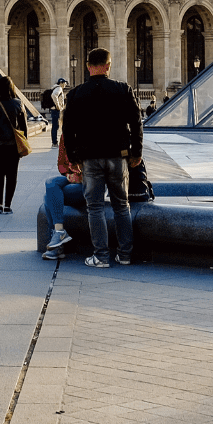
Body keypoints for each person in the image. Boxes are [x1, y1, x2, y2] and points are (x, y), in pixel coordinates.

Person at [62, 47, 141, 268]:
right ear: (108, 66)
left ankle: (101, 256)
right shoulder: (122, 90)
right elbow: (136, 123)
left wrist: (72, 156)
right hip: (118, 156)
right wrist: (137, 152)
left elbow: (68, 130)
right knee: (121, 206)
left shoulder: (76, 94)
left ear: (88, 67)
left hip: (90, 158)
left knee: (94, 207)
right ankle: (125, 255)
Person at [0, 77, 28, 214]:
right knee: (12, 175)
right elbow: (24, 128)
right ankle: (8, 205)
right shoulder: (18, 104)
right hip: (13, 146)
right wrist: (23, 144)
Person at [41, 128, 84, 259]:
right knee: (51, 183)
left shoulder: (88, 131)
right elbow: (61, 164)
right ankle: (59, 232)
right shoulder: (66, 135)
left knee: (48, 197)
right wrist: (69, 174)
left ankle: (57, 246)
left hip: (89, 182)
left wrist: (80, 175)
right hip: (71, 178)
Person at [42, 77, 67, 148]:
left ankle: (55, 142)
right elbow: (54, 95)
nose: (65, 84)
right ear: (61, 83)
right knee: (56, 126)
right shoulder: (59, 88)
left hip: (54, 109)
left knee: (55, 126)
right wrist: (58, 106)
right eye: (65, 83)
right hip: (56, 110)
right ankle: (55, 142)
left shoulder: (56, 88)